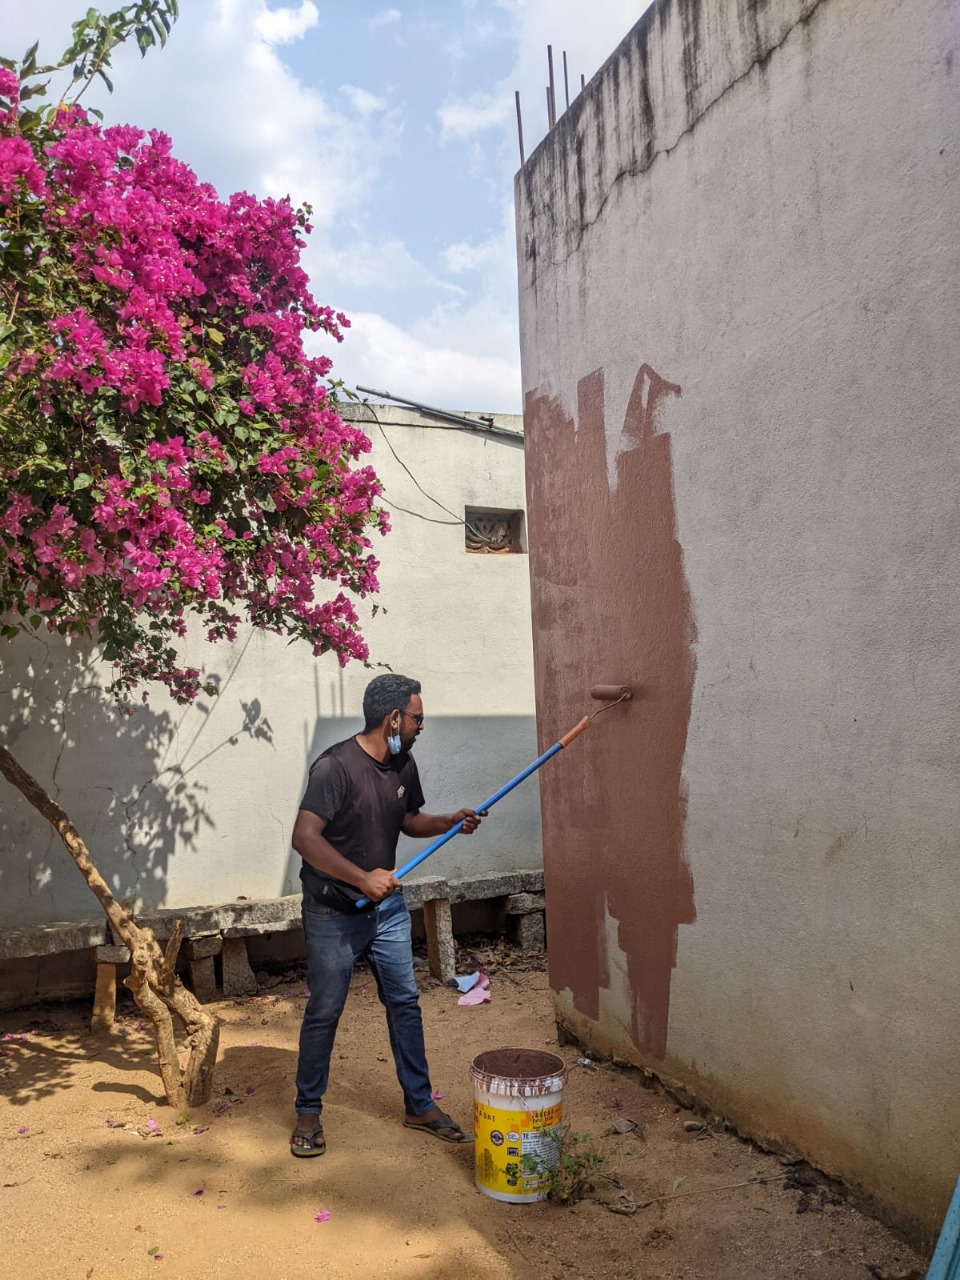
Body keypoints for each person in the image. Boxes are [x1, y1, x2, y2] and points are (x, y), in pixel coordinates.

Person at [289, 673, 482, 1157]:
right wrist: (361, 878)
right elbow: (305, 838)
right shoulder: (335, 767)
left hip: (386, 910)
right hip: (333, 909)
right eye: (417, 718)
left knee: (404, 1003)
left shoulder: (402, 763)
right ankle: (308, 1110)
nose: (421, 726)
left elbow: (408, 820)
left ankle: (420, 1105)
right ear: (393, 718)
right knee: (325, 1009)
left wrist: (447, 822)